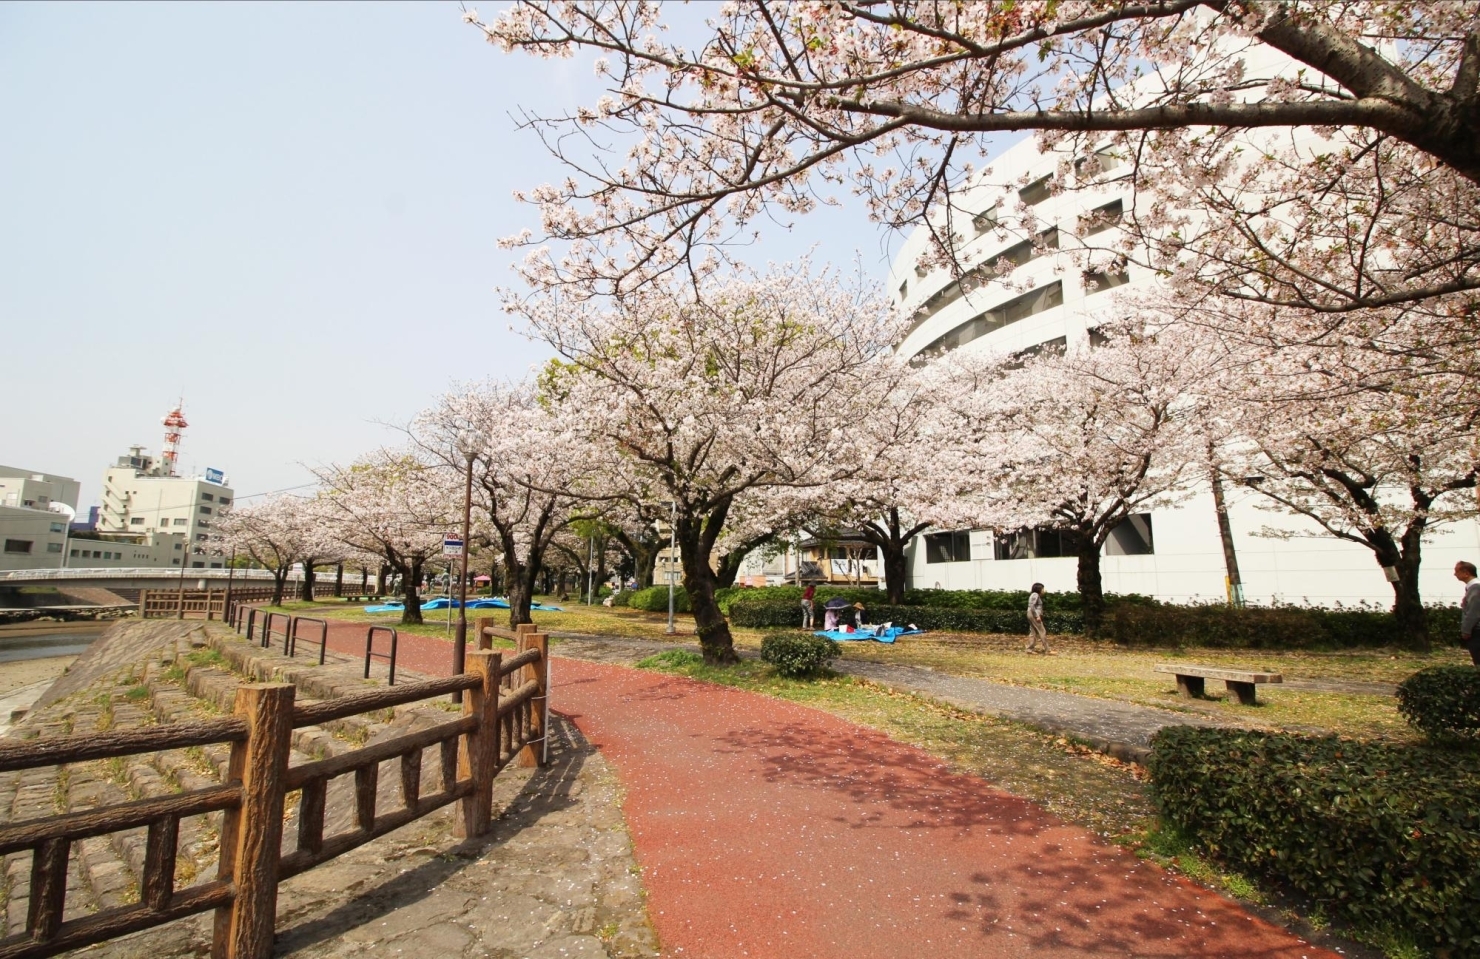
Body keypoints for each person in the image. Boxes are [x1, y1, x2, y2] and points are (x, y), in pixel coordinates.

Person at [1458, 561, 1480, 666]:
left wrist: (1466, 630)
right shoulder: (1472, 588)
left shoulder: (1476, 588)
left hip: (1477, 631)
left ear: (1466, 573)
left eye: (1456, 571)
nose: (1454, 574)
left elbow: (1473, 612)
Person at [1025, 583, 1052, 654]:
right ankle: (1047, 650)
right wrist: (1037, 616)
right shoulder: (1035, 595)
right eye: (1042, 588)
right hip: (1033, 614)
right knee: (1042, 631)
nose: (1043, 590)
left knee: (1033, 632)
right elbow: (1032, 606)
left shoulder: (1034, 595)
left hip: (1031, 614)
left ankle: (1029, 649)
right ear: (1038, 589)